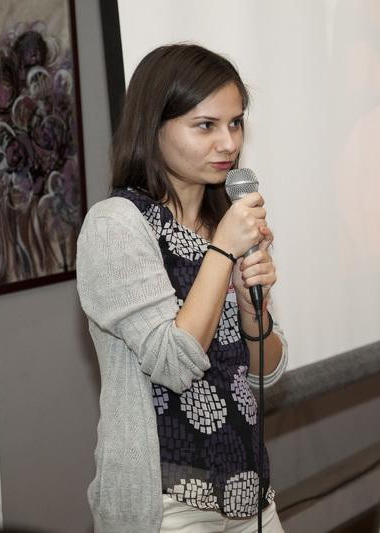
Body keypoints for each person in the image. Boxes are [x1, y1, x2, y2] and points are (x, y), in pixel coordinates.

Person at [76, 44, 287, 532]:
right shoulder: (117, 225)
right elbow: (174, 362)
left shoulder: (227, 220)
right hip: (167, 500)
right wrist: (223, 252)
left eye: (235, 123)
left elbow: (266, 373)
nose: (228, 143)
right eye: (205, 125)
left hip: (247, 488)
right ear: (154, 127)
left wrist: (254, 311)